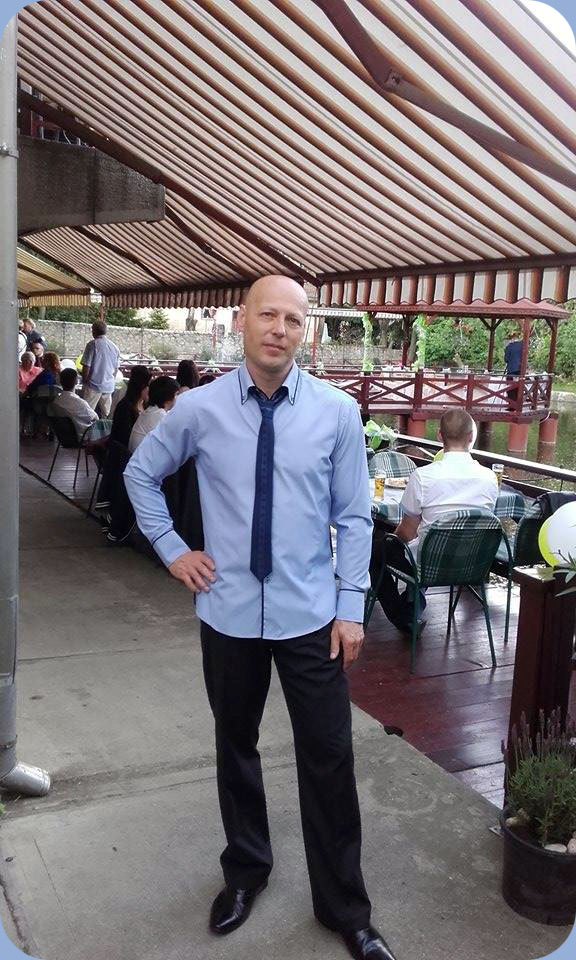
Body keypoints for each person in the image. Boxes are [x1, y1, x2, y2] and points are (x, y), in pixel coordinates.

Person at [124, 275, 396, 960]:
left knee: (329, 758)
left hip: (312, 619)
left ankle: (346, 909)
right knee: (236, 747)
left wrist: (351, 607)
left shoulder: (337, 412)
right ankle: (245, 873)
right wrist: (172, 549)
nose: (279, 329)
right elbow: (140, 474)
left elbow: (354, 517)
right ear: (241, 320)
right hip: (229, 613)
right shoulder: (199, 409)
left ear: (307, 331)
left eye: (293, 319)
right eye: (267, 315)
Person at [370, 409, 498, 633]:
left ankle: (403, 616)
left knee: (372, 551)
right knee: (426, 544)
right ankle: (411, 606)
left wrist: (390, 540)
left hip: (430, 564)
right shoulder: (489, 478)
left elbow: (407, 533)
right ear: (471, 436)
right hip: (473, 564)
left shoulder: (423, 476)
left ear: (439, 435)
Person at [128, 375, 178, 453]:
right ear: (168, 397)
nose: (178, 397)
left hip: (137, 456)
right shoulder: (159, 416)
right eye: (177, 394)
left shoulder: (151, 410)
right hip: (143, 458)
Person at [81, 319, 120, 417]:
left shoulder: (92, 345)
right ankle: (105, 427)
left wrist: (85, 381)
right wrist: (111, 380)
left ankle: (90, 427)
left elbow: (86, 366)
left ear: (94, 331)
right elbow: (115, 370)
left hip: (93, 386)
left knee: (87, 413)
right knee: (106, 414)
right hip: (108, 386)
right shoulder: (114, 347)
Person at [47, 367, 98, 440]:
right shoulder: (80, 403)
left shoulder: (56, 401)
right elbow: (95, 418)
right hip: (84, 437)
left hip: (65, 438)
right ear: (76, 381)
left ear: (60, 381)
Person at [110, 365, 151, 447]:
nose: (149, 389)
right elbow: (123, 436)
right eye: (148, 386)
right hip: (126, 450)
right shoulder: (124, 407)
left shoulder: (145, 404)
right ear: (142, 386)